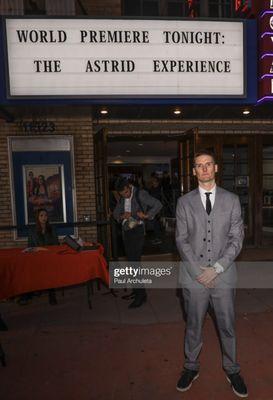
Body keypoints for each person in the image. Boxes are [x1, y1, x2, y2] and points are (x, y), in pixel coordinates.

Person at [175, 149, 248, 398]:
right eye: (199, 165)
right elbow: (181, 240)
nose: (204, 168)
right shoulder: (184, 202)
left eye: (208, 164)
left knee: (227, 326)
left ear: (216, 168)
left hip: (223, 276)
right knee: (193, 325)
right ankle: (191, 367)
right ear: (194, 171)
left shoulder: (232, 200)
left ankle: (232, 369)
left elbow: (236, 239)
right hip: (193, 277)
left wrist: (217, 268)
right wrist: (198, 271)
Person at [113, 177, 162, 308]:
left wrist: (146, 216)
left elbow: (158, 204)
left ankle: (141, 296)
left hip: (138, 230)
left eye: (126, 193)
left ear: (129, 186)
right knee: (131, 263)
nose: (125, 196)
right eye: (122, 194)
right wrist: (122, 216)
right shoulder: (122, 196)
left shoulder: (141, 194)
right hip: (126, 231)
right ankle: (137, 291)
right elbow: (115, 213)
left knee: (135, 263)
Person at [28, 208, 59, 305]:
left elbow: (56, 244)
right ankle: (34, 290)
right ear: (37, 217)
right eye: (41, 215)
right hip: (37, 258)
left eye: (45, 215)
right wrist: (37, 250)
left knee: (49, 269)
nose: (44, 218)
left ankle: (51, 293)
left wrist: (47, 250)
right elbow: (29, 247)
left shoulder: (52, 229)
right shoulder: (32, 231)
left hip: (50, 257)